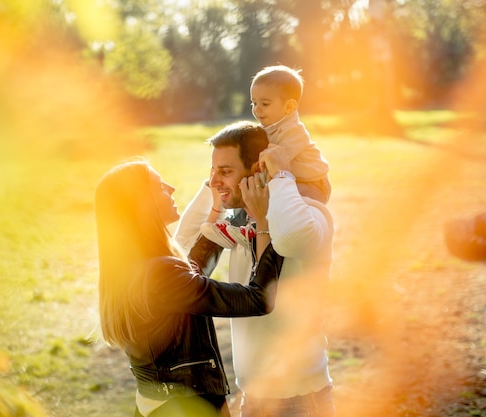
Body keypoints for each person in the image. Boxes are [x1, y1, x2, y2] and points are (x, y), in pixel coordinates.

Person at [95, 159, 284, 417]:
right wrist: (264, 223)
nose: (171, 188)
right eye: (159, 186)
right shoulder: (161, 274)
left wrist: (217, 211)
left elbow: (192, 274)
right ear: (141, 204)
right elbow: (258, 298)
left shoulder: (137, 267)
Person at [175, 121, 336, 417]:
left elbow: (288, 244)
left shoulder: (310, 215)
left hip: (299, 400)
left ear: (257, 171)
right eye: (212, 171)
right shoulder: (236, 225)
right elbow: (183, 261)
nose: (215, 180)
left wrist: (275, 187)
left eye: (225, 171)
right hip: (252, 398)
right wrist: (215, 197)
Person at [201, 64, 331, 249]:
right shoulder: (270, 127)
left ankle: (250, 227)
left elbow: (276, 160)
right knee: (250, 188)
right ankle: (237, 228)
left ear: (289, 106)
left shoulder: (292, 131)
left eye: (265, 104)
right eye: (254, 103)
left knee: (264, 193)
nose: (257, 110)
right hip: (294, 179)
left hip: (312, 184)